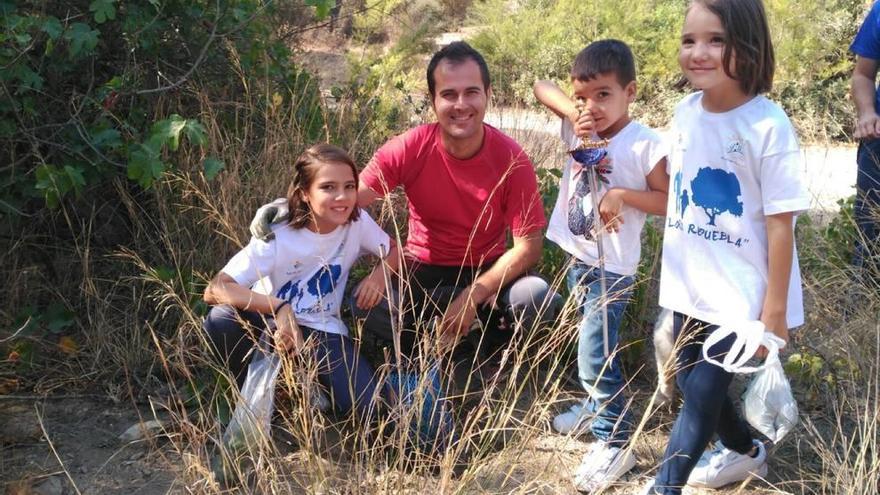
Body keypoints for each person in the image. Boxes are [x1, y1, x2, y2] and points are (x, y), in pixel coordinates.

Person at [252, 42, 559, 367]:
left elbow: (528, 248)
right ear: (433, 100)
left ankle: (491, 353)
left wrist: (474, 294)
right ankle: (424, 349)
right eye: (448, 94)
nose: (461, 105)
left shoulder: (512, 159)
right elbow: (350, 198)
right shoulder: (411, 146)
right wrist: (285, 208)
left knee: (535, 297)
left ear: (487, 94)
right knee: (365, 302)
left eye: (471, 92)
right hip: (422, 268)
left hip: (487, 269)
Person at [641, 1, 809, 493]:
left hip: (742, 297)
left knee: (700, 396)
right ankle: (746, 451)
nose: (699, 52)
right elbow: (681, 191)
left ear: (748, 43)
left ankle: (663, 487)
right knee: (696, 385)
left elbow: (781, 225)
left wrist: (773, 312)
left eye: (716, 40)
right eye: (689, 40)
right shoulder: (685, 112)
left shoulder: (768, 125)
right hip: (690, 286)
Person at [533, 39, 669, 492]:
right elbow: (540, 85)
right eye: (583, 96)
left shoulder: (645, 143)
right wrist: (576, 114)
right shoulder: (579, 128)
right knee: (588, 342)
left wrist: (622, 196)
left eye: (604, 94)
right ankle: (595, 409)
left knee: (597, 354)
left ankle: (615, 443)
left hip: (612, 269)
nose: (593, 105)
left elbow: (668, 201)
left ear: (630, 91)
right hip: (580, 258)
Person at [203, 144, 401, 419]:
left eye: (349, 186)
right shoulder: (278, 232)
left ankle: (307, 387)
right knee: (221, 319)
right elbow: (216, 288)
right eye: (328, 187)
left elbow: (395, 249)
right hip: (269, 323)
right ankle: (255, 394)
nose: (342, 197)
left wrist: (379, 275)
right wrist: (280, 308)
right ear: (305, 194)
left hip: (322, 329)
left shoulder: (357, 222)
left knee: (368, 408)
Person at [850, 0, 880, 283]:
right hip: (878, 143)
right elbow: (862, 74)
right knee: (869, 234)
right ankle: (859, 320)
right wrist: (867, 112)